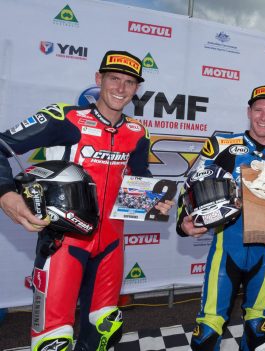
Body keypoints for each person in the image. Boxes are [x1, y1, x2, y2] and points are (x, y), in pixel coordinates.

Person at [0, 50, 173, 351]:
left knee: (102, 327)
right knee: (53, 340)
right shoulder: (64, 118)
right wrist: (6, 193)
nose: (121, 88)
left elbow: (141, 179)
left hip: (111, 245)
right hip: (65, 244)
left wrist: (159, 202)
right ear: (98, 80)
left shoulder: (137, 132)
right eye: (114, 79)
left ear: (136, 90)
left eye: (129, 82)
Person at [176, 85, 265, 351]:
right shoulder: (222, 146)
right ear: (248, 112)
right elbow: (188, 188)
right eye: (258, 109)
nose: (263, 116)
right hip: (226, 249)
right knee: (206, 334)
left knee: (257, 330)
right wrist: (183, 222)